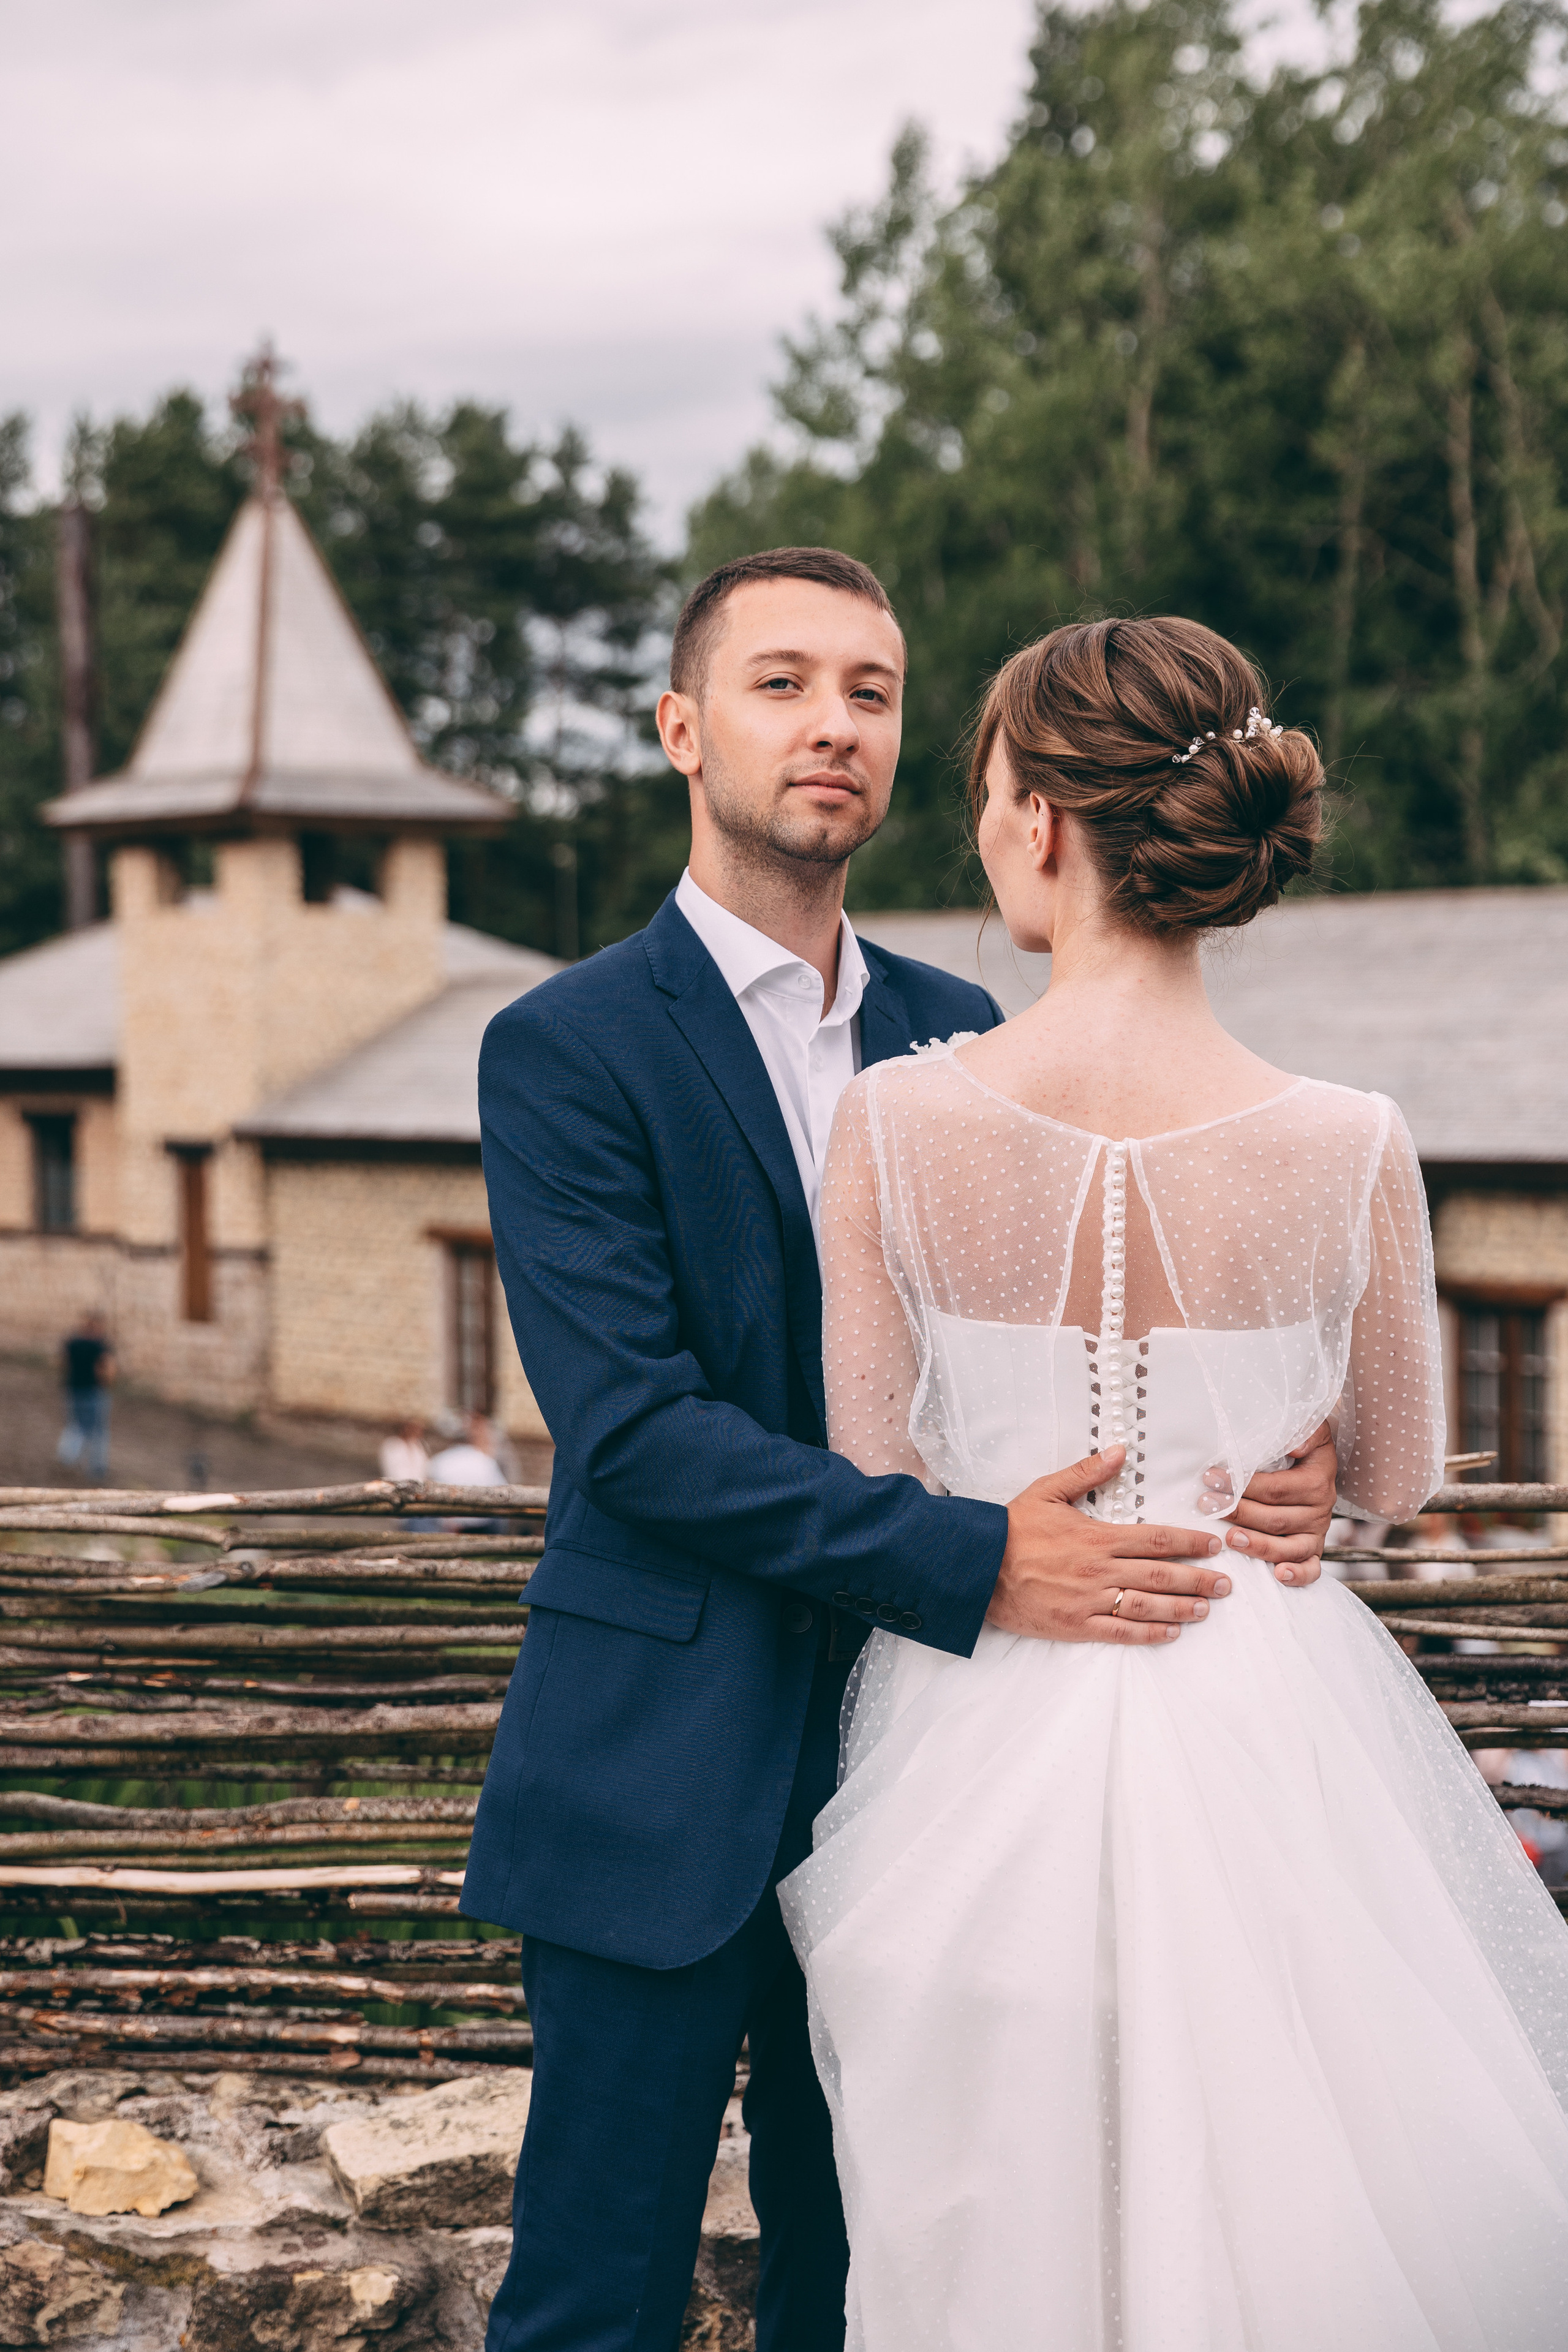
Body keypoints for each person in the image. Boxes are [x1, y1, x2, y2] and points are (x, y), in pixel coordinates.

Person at [462, 552, 1340, 2352]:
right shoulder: (563, 1050)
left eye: (870, 689)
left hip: (934, 1768)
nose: (834, 724)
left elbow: (1106, 1349)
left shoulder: (977, 1035)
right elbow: (632, 1431)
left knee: (882, 2282)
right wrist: (974, 1556)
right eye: (782, 683)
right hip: (659, 1770)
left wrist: (1269, 1464)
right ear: (680, 728)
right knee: (593, 2294)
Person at [778, 616, 1568, 2347]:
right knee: (1300, 2194)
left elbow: (875, 1474)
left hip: (984, 1717)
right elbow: (1404, 1468)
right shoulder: (1348, 1134)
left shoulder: (894, 1127)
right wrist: (1299, 1459)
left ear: (1046, 822)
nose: (985, 830)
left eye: (991, 793)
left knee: (1002, 2222)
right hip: (1267, 1704)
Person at [57, 1310, 114, 1482]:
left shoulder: (73, 1343)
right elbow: (108, 1371)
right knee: (98, 1431)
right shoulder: (100, 1346)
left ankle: (66, 1457)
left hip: (73, 1390)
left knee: (76, 1426)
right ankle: (97, 1468)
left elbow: (63, 1363)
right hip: (93, 1391)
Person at [379, 1417, 429, 1484]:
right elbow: (392, 1469)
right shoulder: (392, 1444)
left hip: (418, 1486)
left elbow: (423, 1469)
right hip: (397, 1485)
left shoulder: (420, 1446)